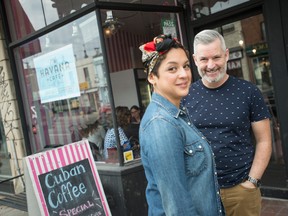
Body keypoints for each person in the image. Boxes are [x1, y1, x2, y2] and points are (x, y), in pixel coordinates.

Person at [182, 29, 272, 216]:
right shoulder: (185, 96)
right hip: (201, 190)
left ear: (226, 55)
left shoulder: (249, 92)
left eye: (216, 57)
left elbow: (264, 141)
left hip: (241, 189)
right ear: (195, 60)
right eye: (204, 59)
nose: (211, 65)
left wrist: (252, 182)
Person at [139, 34, 224, 215]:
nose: (184, 74)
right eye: (172, 69)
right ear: (152, 77)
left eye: (185, 66)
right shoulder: (160, 124)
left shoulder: (176, 113)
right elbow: (177, 208)